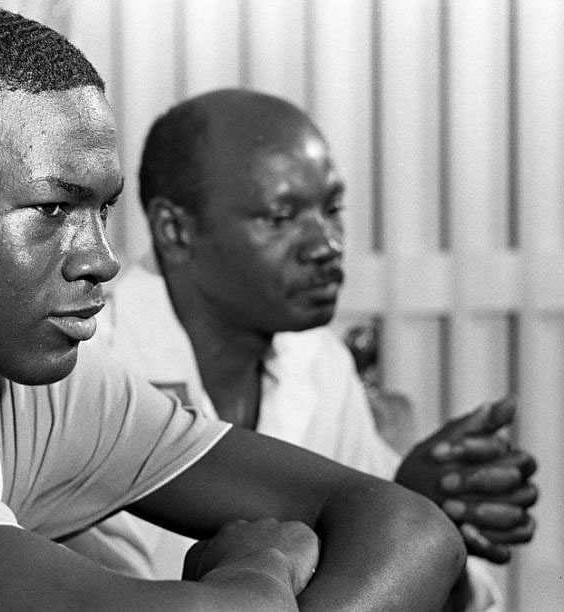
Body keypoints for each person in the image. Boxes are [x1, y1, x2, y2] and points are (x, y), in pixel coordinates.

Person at [0, 7, 467, 610]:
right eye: (52, 208)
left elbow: (411, 527)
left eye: (101, 210)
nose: (101, 258)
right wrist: (260, 567)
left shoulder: (27, 394)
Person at [63, 88, 538, 610]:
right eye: (280, 217)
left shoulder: (319, 362)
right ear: (176, 232)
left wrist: (414, 499)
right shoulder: (86, 356)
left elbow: (402, 555)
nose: (326, 245)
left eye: (332, 208)